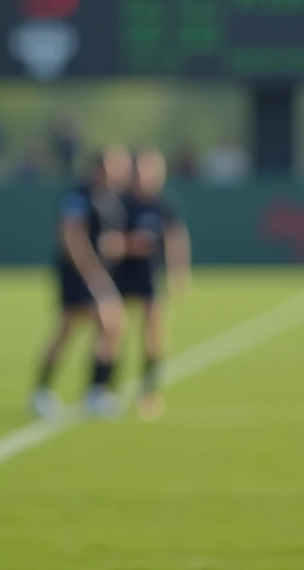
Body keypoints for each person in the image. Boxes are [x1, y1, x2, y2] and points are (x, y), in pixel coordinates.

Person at [32, 144, 132, 419]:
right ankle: (46, 392)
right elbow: (71, 237)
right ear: (99, 168)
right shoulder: (79, 196)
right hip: (78, 274)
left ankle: (96, 392)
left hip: (96, 273)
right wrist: (93, 275)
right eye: (116, 166)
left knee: (107, 326)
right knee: (76, 328)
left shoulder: (110, 200)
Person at [114, 146, 192, 421]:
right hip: (120, 274)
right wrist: (127, 245)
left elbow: (176, 237)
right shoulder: (120, 202)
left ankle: (149, 391)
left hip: (148, 275)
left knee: (154, 331)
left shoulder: (164, 203)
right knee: (113, 330)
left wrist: (178, 272)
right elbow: (108, 239)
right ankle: (106, 389)